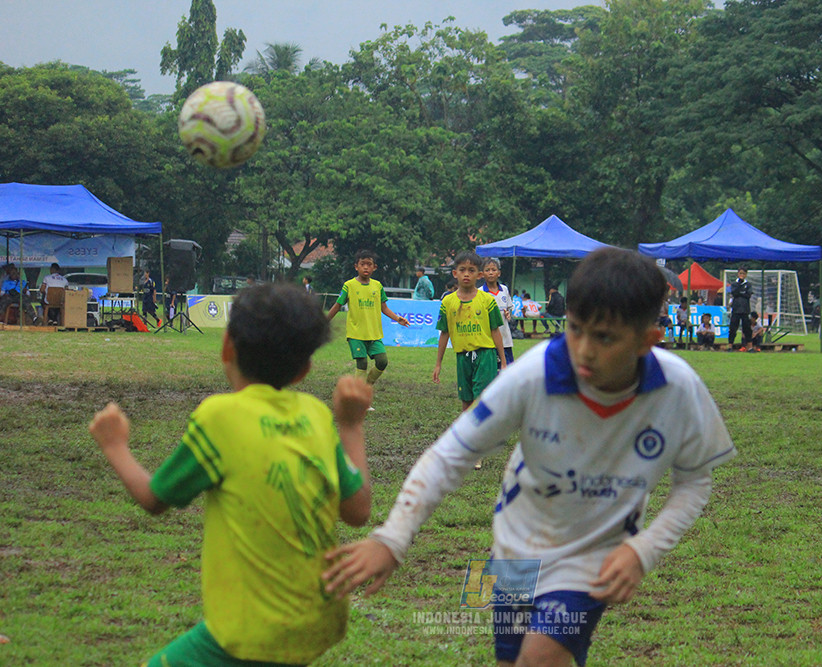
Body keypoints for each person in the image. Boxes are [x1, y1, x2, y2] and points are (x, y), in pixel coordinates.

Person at [323, 248, 736, 667]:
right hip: (515, 549)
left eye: (605, 337)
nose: (585, 350)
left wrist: (643, 550)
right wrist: (392, 539)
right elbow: (451, 454)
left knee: (536, 660)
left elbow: (695, 480)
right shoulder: (536, 373)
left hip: (592, 558)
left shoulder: (678, 389)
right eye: (575, 329)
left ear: (649, 339)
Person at [88, 283, 372, 666]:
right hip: (322, 620)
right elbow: (357, 512)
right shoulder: (316, 415)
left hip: (250, 630)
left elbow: (154, 499)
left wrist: (115, 446)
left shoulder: (219, 417)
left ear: (226, 347)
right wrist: (351, 427)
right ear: (305, 368)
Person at [432, 251, 507, 412]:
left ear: (479, 275)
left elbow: (495, 331)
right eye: (462, 270)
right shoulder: (447, 302)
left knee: (481, 399)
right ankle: (469, 435)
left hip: (485, 356)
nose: (466, 274)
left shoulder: (487, 300)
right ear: (455, 273)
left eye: (471, 270)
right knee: (466, 400)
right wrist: (438, 364)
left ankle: (484, 434)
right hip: (462, 357)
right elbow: (444, 333)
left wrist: (504, 361)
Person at [326, 249, 410, 390]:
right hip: (356, 334)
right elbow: (337, 305)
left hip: (374, 334)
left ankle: (366, 385)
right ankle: (360, 395)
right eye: (362, 264)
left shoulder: (377, 286)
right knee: (362, 363)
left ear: (374, 267)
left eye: (369, 264)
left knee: (382, 361)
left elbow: (384, 308)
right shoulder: (349, 285)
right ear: (356, 266)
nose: (366, 267)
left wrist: (397, 318)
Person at [481, 258, 515, 366]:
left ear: (499, 273)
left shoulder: (504, 289)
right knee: (492, 368)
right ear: (482, 274)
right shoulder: (480, 292)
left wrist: (508, 314)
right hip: (489, 339)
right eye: (487, 270)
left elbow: (509, 308)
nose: (490, 273)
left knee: (507, 368)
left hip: (505, 337)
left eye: (493, 270)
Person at [727, 267, 753, 350]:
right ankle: (730, 346)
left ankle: (749, 347)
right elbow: (735, 293)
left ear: (746, 275)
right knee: (733, 328)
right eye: (740, 273)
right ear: (738, 274)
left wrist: (741, 293)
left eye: (743, 273)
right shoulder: (734, 284)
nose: (742, 275)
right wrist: (741, 289)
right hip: (736, 309)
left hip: (745, 309)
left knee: (747, 329)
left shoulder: (748, 284)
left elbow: (748, 295)